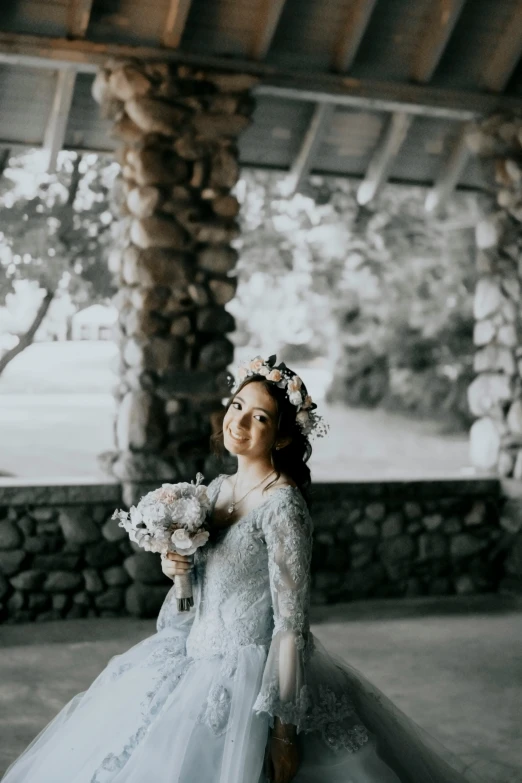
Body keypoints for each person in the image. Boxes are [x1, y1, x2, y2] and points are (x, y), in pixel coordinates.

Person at [1, 356, 485, 783]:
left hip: (254, 677)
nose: (240, 423)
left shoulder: (284, 507)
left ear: (283, 434)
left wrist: (284, 733)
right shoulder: (213, 492)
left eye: (260, 418)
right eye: (237, 407)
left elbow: (292, 626)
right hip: (192, 657)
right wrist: (181, 574)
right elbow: (190, 608)